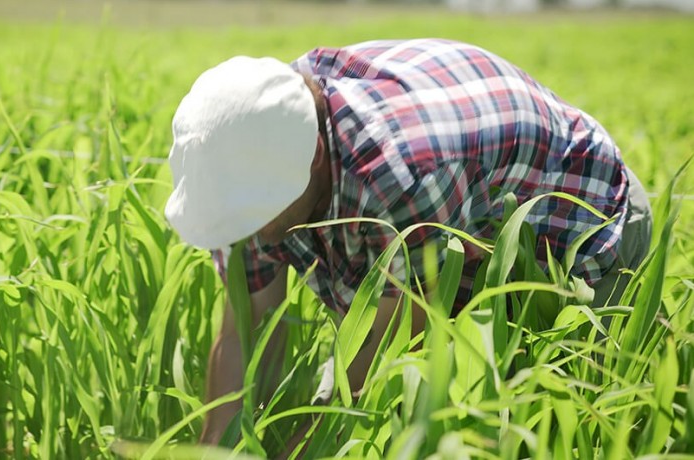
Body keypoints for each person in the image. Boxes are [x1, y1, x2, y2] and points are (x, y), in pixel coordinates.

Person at [163, 38, 652, 445]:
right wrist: (213, 451)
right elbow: (244, 335)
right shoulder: (247, 150)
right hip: (453, 211)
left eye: (255, 210)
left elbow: (394, 352)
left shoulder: (401, 176)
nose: (245, 230)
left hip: (576, 218)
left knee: (560, 417)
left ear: (312, 157)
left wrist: (306, 449)